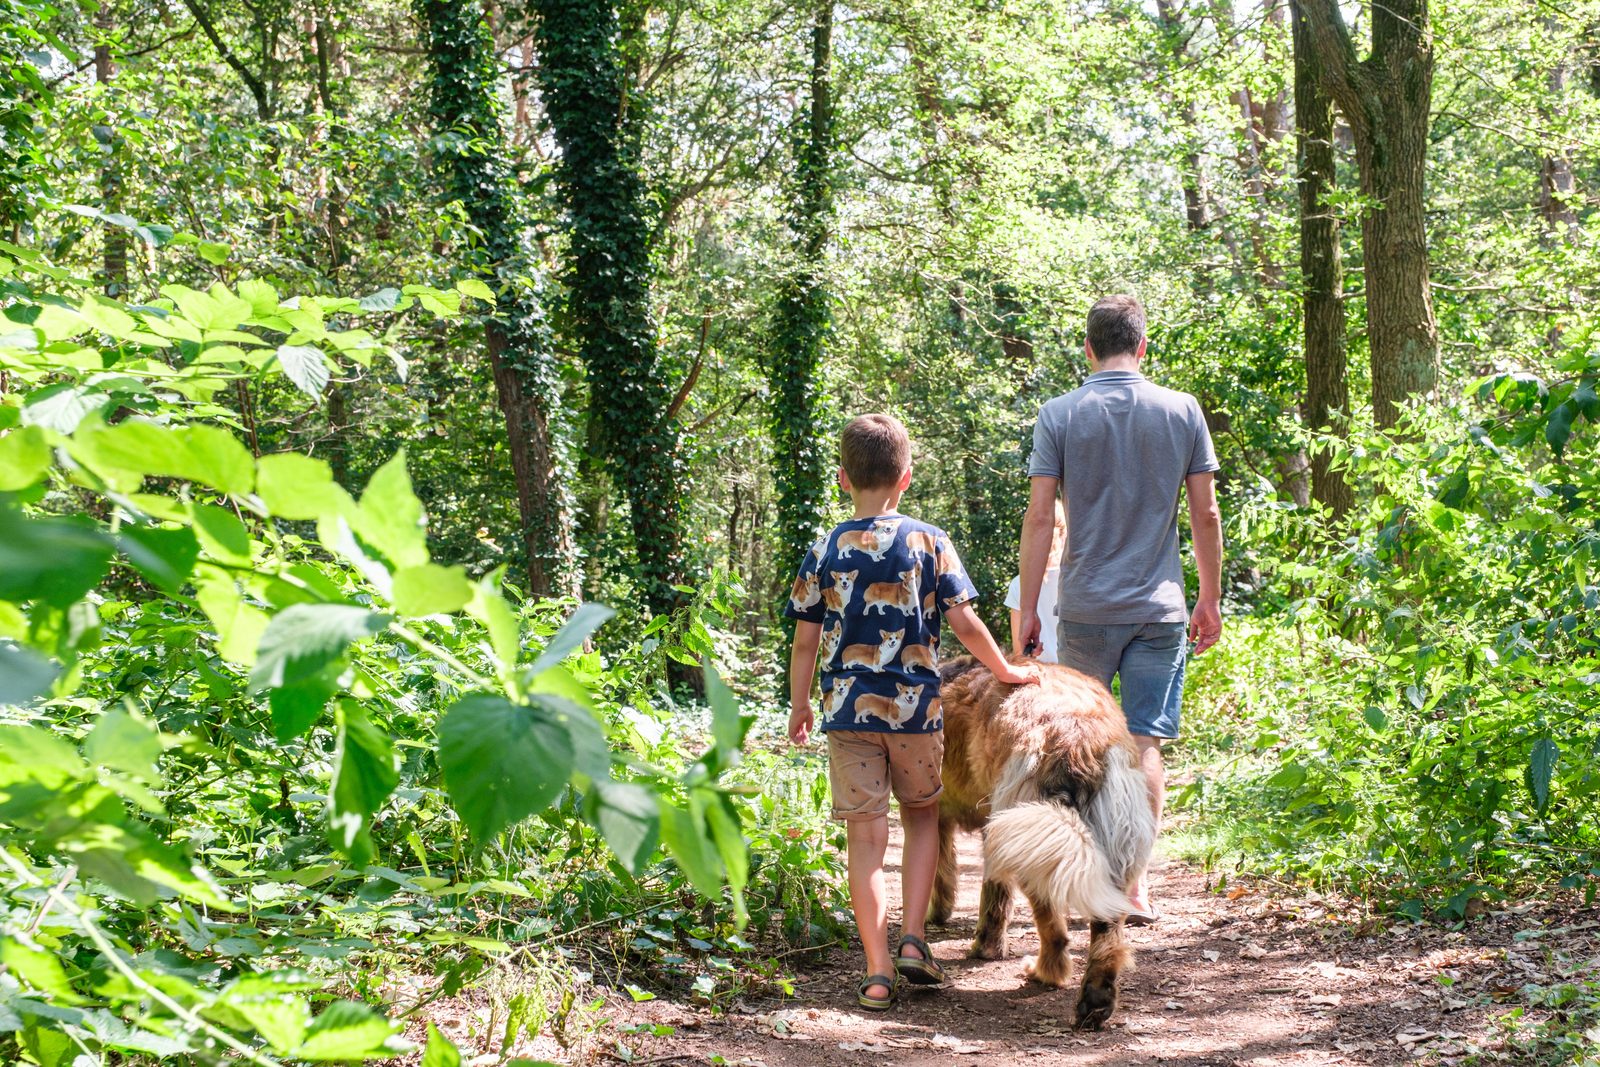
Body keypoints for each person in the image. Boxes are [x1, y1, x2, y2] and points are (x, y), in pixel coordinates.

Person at [786, 413, 1036, 1011]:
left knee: (865, 840)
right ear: (906, 476)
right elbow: (964, 621)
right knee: (923, 818)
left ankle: (876, 972)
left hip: (847, 712)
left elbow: (803, 640)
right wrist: (1005, 670)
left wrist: (799, 704)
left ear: (843, 477)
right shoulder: (930, 540)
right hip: (917, 710)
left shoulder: (824, 548)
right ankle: (915, 942)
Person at [1017, 294, 1223, 925]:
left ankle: (1084, 881)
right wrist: (1209, 596)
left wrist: (1030, 609)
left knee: (1077, 746)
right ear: (1143, 345)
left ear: (1087, 348)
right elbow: (1205, 513)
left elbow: (1039, 517)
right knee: (1143, 745)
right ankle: (1133, 885)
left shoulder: (1059, 414)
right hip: (1159, 607)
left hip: (1083, 607)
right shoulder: (1181, 410)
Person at [1004, 498, 1067, 662]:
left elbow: (1020, 652)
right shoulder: (1079, 580)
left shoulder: (1019, 584)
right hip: (1078, 676)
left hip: (1043, 678)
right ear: (1065, 533)